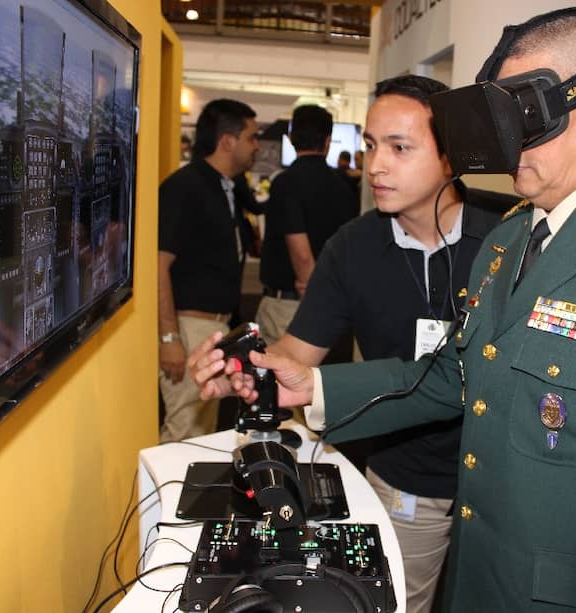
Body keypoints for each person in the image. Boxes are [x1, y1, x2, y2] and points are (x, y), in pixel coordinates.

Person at [192, 8, 576, 612]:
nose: (509, 142)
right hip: (479, 577)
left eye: (527, 119)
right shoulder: (512, 238)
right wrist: (313, 386)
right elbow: (456, 378)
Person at [190, 74, 510, 613]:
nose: (377, 164)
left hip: (505, 479)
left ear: (452, 156)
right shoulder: (353, 246)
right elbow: (297, 353)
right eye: (370, 145)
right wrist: (249, 369)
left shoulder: (510, 237)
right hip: (405, 476)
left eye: (399, 147)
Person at [158, 99, 261, 442]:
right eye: (252, 137)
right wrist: (170, 338)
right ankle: (163, 497)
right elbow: (158, 265)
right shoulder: (184, 187)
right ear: (228, 141)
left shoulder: (225, 187)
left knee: (200, 432)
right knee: (183, 430)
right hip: (189, 327)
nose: (256, 146)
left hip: (215, 326)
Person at [256, 104, 358, 345]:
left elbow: (300, 250)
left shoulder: (285, 183)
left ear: (291, 139)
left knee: (279, 377)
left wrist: (312, 296)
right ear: (327, 141)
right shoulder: (343, 187)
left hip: (293, 304)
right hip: (333, 303)